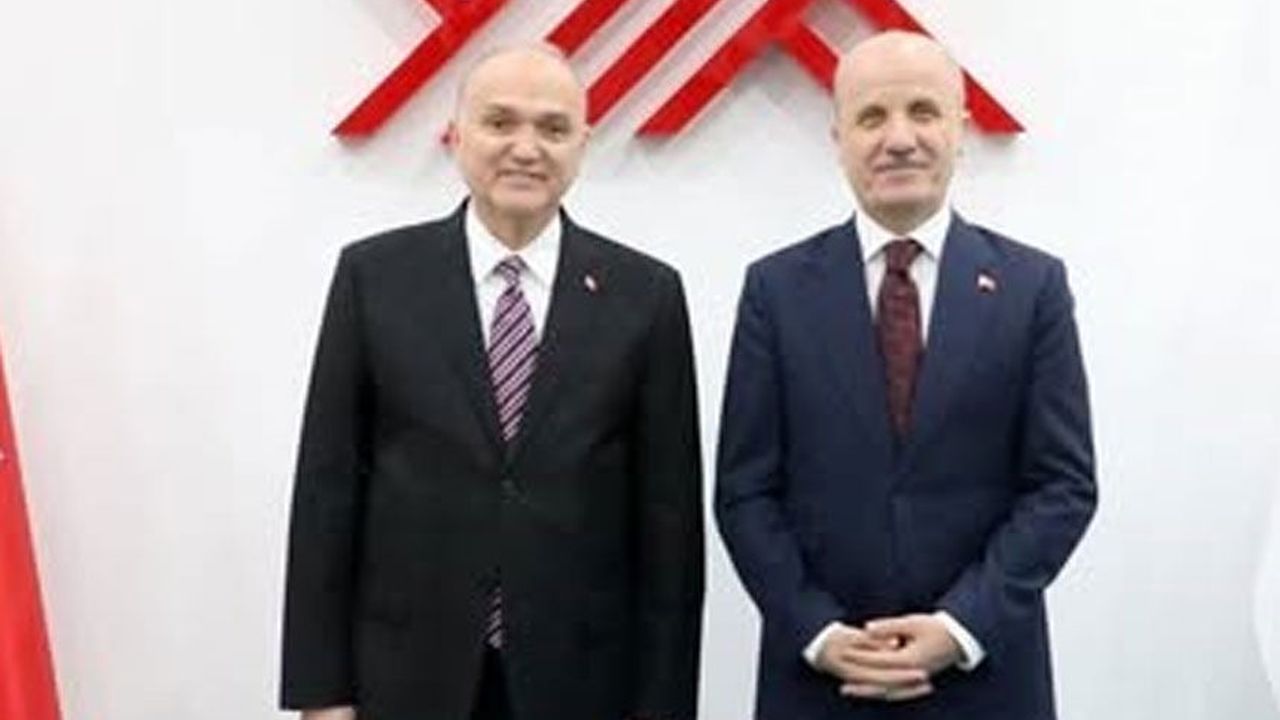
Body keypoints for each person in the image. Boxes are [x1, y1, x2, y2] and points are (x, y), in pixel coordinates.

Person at [280, 44, 704, 720]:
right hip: (406, 674)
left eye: (553, 128)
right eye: (500, 122)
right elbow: (327, 494)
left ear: (583, 145)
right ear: (457, 135)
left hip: (583, 679)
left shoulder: (645, 295)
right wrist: (321, 692)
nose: (525, 148)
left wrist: (663, 707)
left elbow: (669, 527)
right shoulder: (375, 278)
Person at [715, 30, 1096, 719]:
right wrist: (819, 632)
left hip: (985, 680)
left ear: (960, 129)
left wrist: (960, 627)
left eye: (923, 111)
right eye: (871, 117)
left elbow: (1062, 486)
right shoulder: (775, 291)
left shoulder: (1032, 287)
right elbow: (745, 492)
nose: (899, 139)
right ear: (839, 139)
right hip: (821, 684)